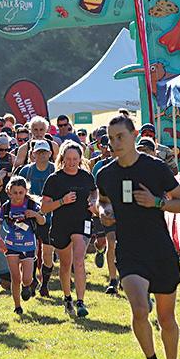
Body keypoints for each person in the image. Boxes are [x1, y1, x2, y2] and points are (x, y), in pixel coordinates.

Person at [96, 116, 180, 359]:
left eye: (120, 137)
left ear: (134, 135)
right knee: (139, 309)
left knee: (166, 318)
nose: (115, 143)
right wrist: (104, 213)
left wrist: (157, 202)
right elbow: (103, 202)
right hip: (129, 250)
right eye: (111, 139)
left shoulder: (155, 168)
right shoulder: (106, 174)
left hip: (159, 249)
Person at [41, 142, 97, 318]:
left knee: (78, 261)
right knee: (65, 264)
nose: (72, 162)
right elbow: (44, 207)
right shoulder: (54, 179)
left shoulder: (86, 177)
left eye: (75, 159)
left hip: (82, 222)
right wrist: (62, 201)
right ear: (62, 159)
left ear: (80, 159)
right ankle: (67, 298)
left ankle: (81, 302)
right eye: (68, 159)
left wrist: (93, 202)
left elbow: (94, 192)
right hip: (61, 225)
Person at [0, 175, 46, 316]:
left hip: (28, 246)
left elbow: (42, 221)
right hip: (11, 246)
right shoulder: (6, 207)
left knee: (27, 279)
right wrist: (0, 241)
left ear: (26, 191)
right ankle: (17, 306)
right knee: (15, 277)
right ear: (9, 192)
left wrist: (35, 214)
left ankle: (27, 286)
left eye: (21, 193)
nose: (18, 196)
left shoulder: (31, 205)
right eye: (15, 193)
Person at [19, 140, 56, 296]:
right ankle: (32, 280)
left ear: (50, 153)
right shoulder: (26, 171)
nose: (41, 155)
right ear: (33, 154)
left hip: (50, 218)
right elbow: (15, 192)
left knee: (47, 254)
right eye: (38, 152)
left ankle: (44, 284)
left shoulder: (55, 170)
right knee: (30, 251)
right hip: (29, 218)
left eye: (44, 152)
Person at [91, 135, 118, 295]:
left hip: (127, 214)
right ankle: (113, 280)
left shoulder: (131, 167)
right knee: (109, 242)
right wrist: (99, 209)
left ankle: (125, 275)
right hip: (107, 210)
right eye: (112, 149)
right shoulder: (101, 169)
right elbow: (95, 191)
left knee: (123, 245)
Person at [0, 134, 15, 204]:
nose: (3, 152)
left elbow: (16, 173)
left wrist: (6, 174)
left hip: (8, 187)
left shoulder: (11, 158)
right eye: (1, 149)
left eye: (6, 149)